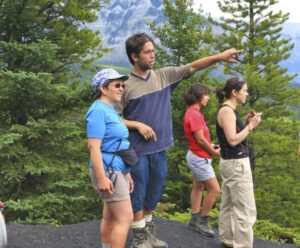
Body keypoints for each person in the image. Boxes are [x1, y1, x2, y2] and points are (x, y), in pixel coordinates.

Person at [118, 32, 242, 248]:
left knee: (154, 192)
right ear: (134, 56)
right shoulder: (125, 86)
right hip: (137, 150)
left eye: (153, 52)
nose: (152, 56)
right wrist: (137, 125)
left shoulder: (163, 76)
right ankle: (139, 239)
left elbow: (192, 67)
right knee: (138, 192)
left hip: (160, 148)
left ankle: (149, 234)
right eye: (147, 53)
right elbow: (113, 119)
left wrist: (219, 57)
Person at [86, 69, 134, 248]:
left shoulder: (110, 110)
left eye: (122, 85)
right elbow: (93, 146)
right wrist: (101, 178)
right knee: (125, 217)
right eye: (117, 85)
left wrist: (127, 174)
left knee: (111, 216)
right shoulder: (98, 110)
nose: (121, 88)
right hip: (108, 170)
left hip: (117, 168)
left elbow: (118, 144)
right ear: (103, 89)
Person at [215, 77, 262, 248]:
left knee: (228, 205)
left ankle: (227, 240)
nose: (247, 93)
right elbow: (233, 140)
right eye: (245, 90)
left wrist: (248, 124)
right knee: (245, 210)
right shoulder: (227, 111)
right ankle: (241, 245)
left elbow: (230, 138)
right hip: (236, 164)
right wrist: (251, 126)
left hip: (229, 163)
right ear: (234, 93)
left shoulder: (227, 109)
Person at [183, 84, 221, 237]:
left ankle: (194, 220)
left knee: (198, 187)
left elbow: (201, 139)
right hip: (199, 158)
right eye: (205, 95)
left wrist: (211, 145)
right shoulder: (194, 114)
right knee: (215, 190)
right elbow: (200, 140)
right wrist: (213, 151)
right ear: (198, 96)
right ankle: (202, 222)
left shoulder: (193, 113)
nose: (208, 97)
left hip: (196, 154)